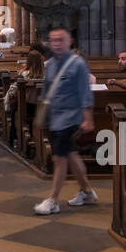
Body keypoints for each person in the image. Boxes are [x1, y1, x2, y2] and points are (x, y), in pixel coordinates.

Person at [33, 27, 97, 213]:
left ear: (69, 42)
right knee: (70, 154)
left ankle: (52, 200)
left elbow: (85, 92)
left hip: (71, 117)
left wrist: (88, 118)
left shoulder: (77, 64)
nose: (56, 44)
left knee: (59, 157)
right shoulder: (50, 64)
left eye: (60, 40)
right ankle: (87, 191)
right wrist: (41, 116)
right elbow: (46, 92)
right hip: (55, 117)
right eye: (53, 40)